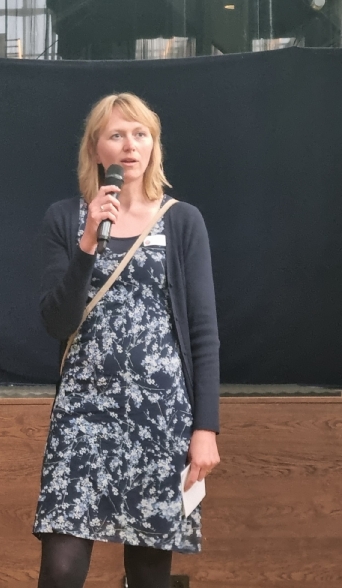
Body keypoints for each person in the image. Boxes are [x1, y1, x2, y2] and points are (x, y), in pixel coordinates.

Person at [32, 93, 220, 588]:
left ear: (154, 147)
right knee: (60, 567)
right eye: (116, 134)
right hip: (83, 413)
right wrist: (89, 239)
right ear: (96, 150)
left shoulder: (182, 221)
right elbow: (56, 320)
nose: (130, 145)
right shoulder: (64, 218)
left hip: (161, 415)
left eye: (141, 134)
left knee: (149, 572)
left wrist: (206, 427)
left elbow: (203, 332)